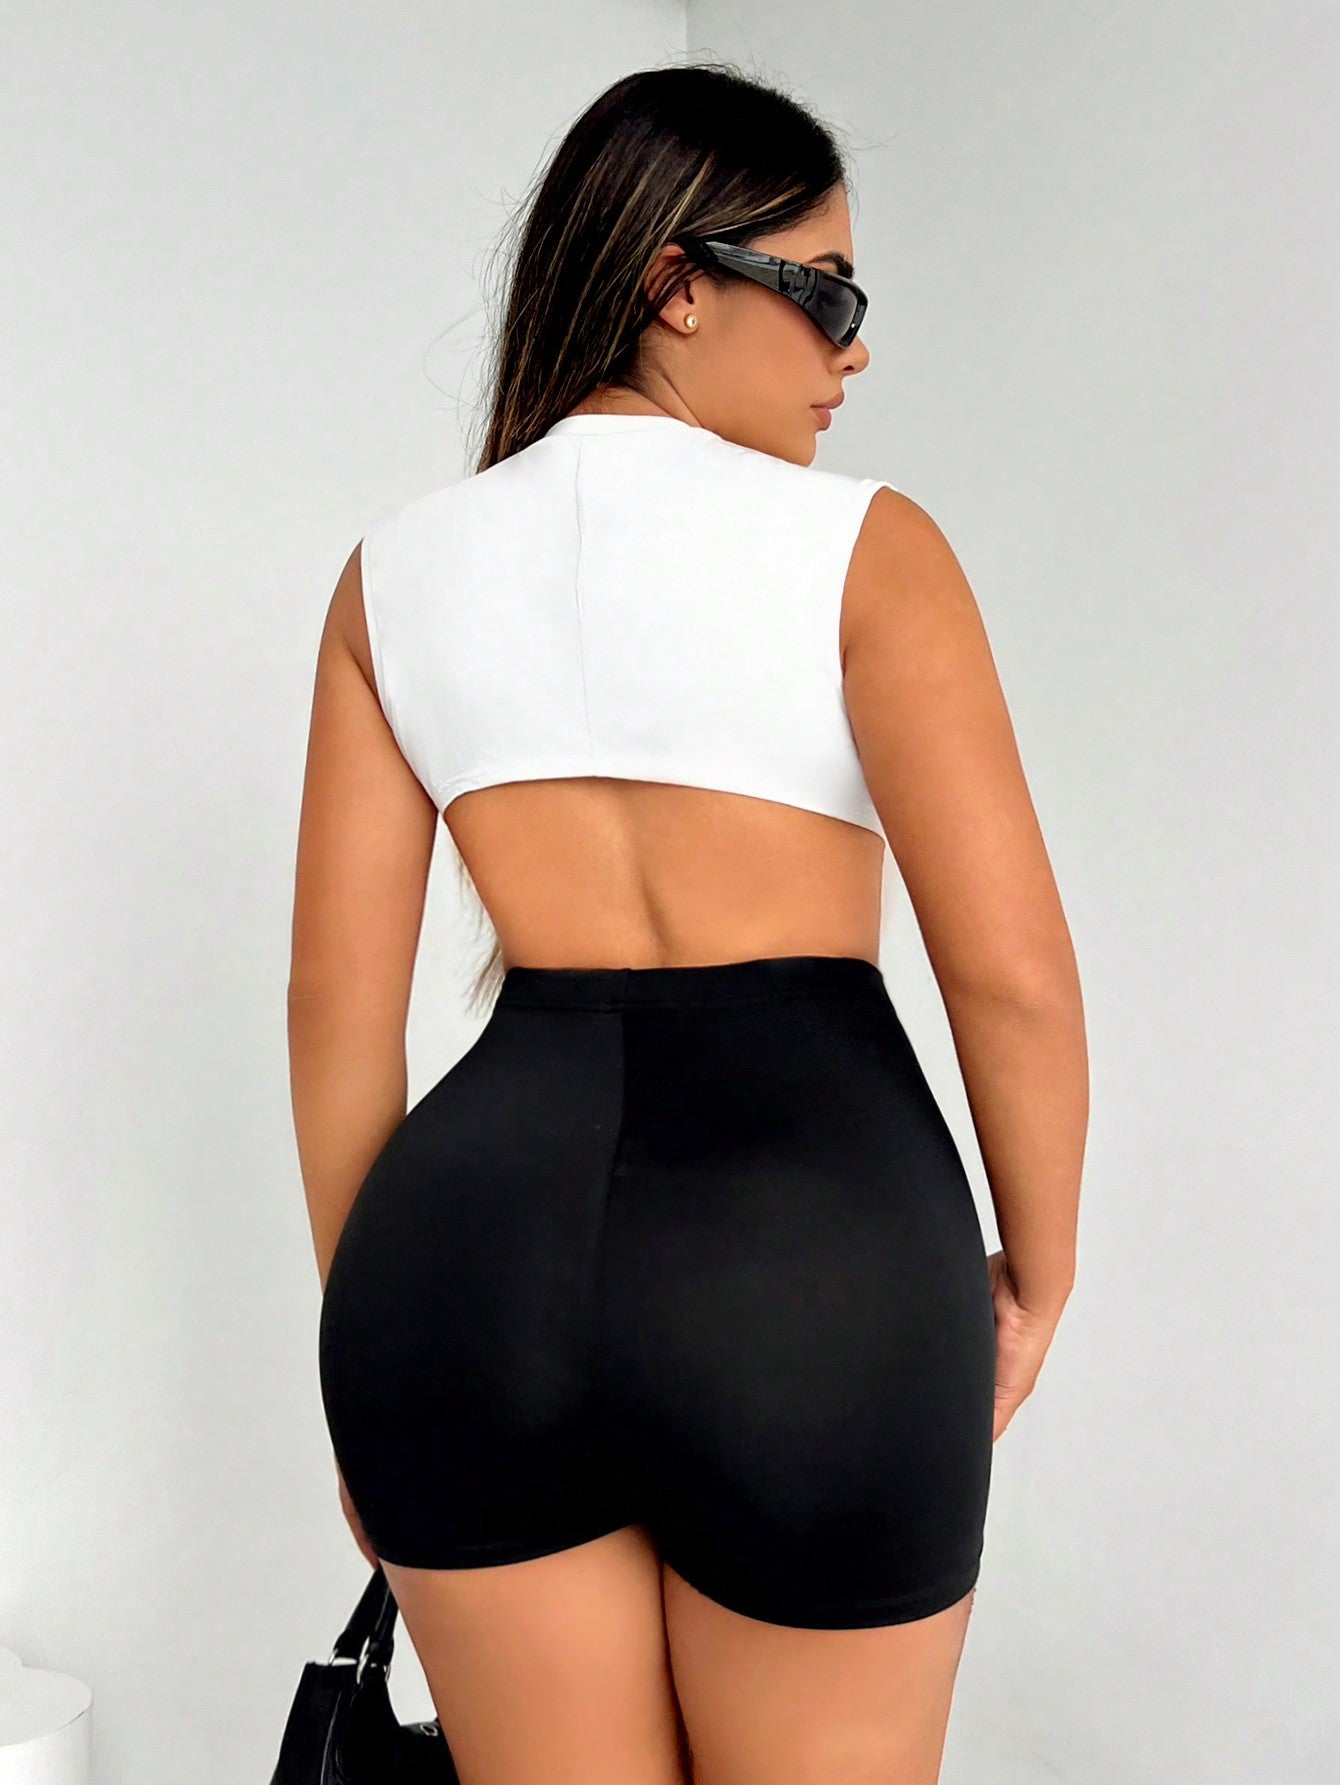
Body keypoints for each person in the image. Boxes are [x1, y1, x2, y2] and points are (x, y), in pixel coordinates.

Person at [288, 60, 1087, 1785]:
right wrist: (1037, 1271)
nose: (852, 355)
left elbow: (334, 1015)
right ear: (678, 285)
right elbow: (1011, 973)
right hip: (815, 1259)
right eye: (829, 294)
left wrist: (373, 1353)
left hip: (462, 1278)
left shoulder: (392, 576)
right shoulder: (869, 550)